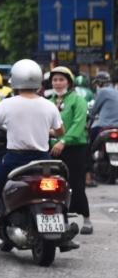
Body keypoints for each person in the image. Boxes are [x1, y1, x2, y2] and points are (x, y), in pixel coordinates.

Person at [0, 59, 69, 255]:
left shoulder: (7, 104)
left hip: (15, 160)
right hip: (43, 159)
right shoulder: (48, 105)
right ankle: (65, 234)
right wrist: (49, 133)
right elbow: (60, 131)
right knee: (58, 191)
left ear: (15, 80)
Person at [48, 66, 92, 235]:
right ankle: (59, 219)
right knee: (53, 186)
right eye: (55, 80)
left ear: (69, 82)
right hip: (53, 148)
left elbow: (78, 124)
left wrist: (64, 141)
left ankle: (87, 218)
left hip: (75, 148)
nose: (58, 83)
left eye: (61, 79)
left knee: (76, 184)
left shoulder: (77, 100)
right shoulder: (49, 102)